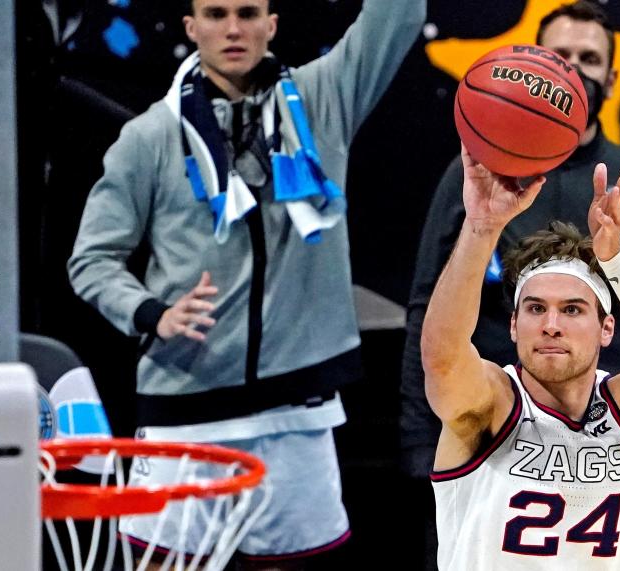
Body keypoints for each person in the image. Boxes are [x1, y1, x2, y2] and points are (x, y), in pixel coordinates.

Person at [67, 0, 425, 567]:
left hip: (295, 408)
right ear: (191, 29)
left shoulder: (323, 100)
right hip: (184, 403)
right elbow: (92, 259)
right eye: (215, 13)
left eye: (247, 12)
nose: (233, 28)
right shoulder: (150, 136)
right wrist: (151, 312)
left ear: (271, 25)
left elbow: (398, 15)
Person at [401, 0, 620, 481]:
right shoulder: (477, 176)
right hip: (487, 413)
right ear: (536, 68)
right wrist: (417, 429)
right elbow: (424, 308)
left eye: (591, 59)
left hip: (612, 422)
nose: (577, 71)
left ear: (613, 80)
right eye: (562, 57)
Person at [422, 146, 620, 569]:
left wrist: (614, 258)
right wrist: (481, 229)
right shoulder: (492, 403)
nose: (551, 324)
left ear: (607, 329)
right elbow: (443, 359)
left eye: (572, 309)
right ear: (513, 325)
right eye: (535, 308)